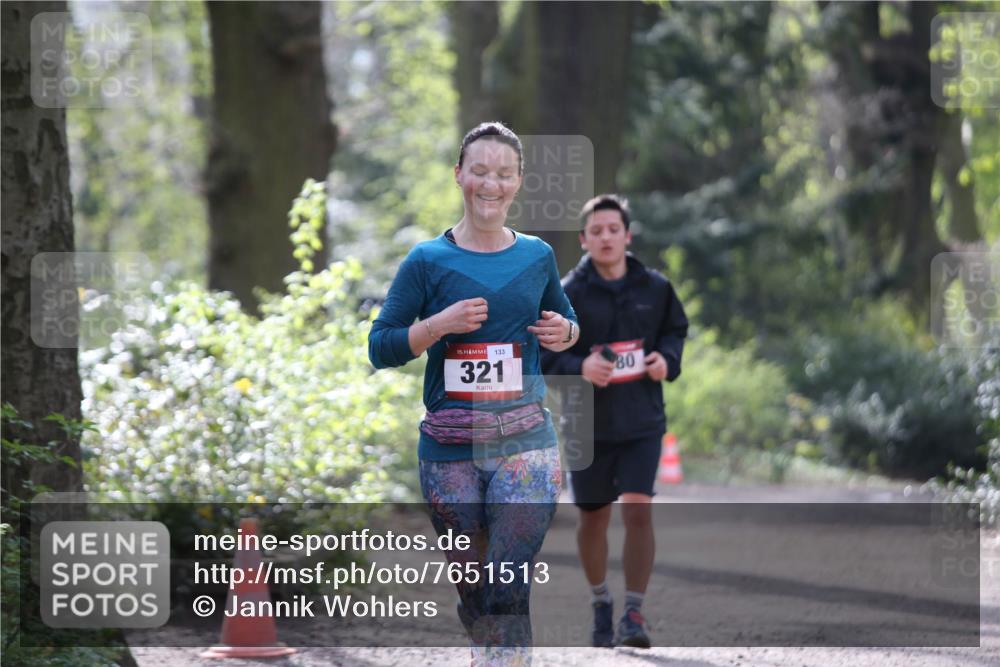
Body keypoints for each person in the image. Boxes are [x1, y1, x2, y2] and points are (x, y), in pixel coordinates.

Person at [368, 122, 579, 665]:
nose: (491, 184)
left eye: (503, 174)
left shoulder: (536, 256)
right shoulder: (426, 261)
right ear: (459, 174)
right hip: (449, 450)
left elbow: (567, 319)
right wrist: (437, 324)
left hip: (525, 441)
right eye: (480, 171)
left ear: (518, 182)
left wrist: (566, 332)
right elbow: (381, 347)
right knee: (479, 593)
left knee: (506, 582)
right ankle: (485, 631)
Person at [541, 194, 688, 649]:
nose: (606, 238)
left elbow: (674, 331)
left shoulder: (656, 287)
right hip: (586, 423)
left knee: (638, 509)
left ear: (627, 235)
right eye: (596, 231)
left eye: (613, 229)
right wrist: (580, 367)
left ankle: (634, 613)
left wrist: (667, 358)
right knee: (594, 518)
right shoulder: (567, 293)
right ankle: (601, 601)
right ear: (584, 240)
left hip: (643, 418)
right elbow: (546, 354)